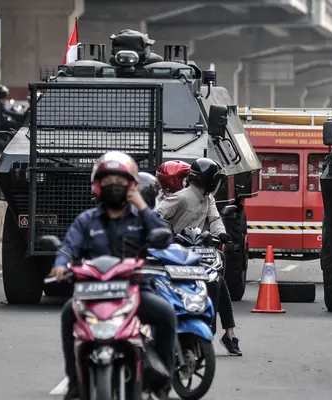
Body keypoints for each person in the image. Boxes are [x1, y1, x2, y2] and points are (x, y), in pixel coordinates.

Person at [48, 151, 177, 400]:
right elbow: (68, 247)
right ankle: (75, 381)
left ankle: (162, 379)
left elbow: (164, 237)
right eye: (108, 181)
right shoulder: (86, 221)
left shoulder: (141, 219)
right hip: (92, 292)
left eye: (120, 182)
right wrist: (61, 265)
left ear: (132, 186)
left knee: (166, 314)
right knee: (67, 315)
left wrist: (141, 205)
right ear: (97, 185)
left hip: (135, 290)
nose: (114, 186)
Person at [155, 158, 243, 356]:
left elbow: (215, 219)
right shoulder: (181, 198)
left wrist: (222, 234)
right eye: (215, 179)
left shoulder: (208, 197)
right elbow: (157, 216)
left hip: (202, 249)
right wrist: (166, 232)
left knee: (218, 280)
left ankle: (229, 334)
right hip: (178, 252)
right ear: (206, 180)